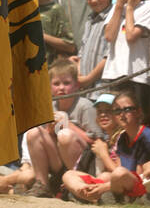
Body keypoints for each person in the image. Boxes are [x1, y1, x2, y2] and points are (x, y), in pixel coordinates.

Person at [24, 59, 98, 195]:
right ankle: (42, 185)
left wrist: (67, 124)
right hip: (58, 160)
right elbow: (45, 140)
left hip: (84, 162)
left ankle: (77, 184)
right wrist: (50, 131)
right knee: (34, 133)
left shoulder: (85, 106)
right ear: (50, 87)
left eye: (67, 83)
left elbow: (97, 143)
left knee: (65, 135)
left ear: (76, 85)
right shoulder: (51, 106)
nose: (61, 88)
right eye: (56, 84)